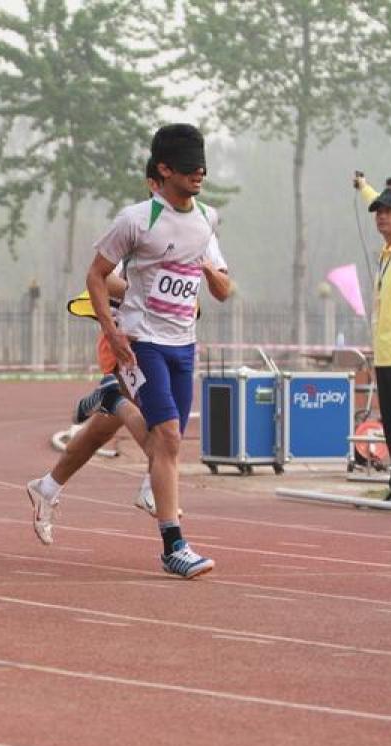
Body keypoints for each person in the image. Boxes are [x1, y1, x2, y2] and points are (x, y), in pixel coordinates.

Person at [84, 124, 231, 578]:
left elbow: (224, 291)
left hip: (183, 345)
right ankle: (173, 544)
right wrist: (112, 330)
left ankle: (111, 399)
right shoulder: (136, 220)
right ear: (163, 170)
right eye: (189, 167)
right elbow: (95, 275)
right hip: (141, 341)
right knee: (166, 438)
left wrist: (210, 275)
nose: (199, 173)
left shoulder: (208, 220)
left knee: (165, 440)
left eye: (202, 166)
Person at [366, 188, 391, 502]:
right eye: (378, 212)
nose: (382, 217)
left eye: (390, 211)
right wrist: (363, 187)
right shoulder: (386, 253)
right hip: (386, 354)